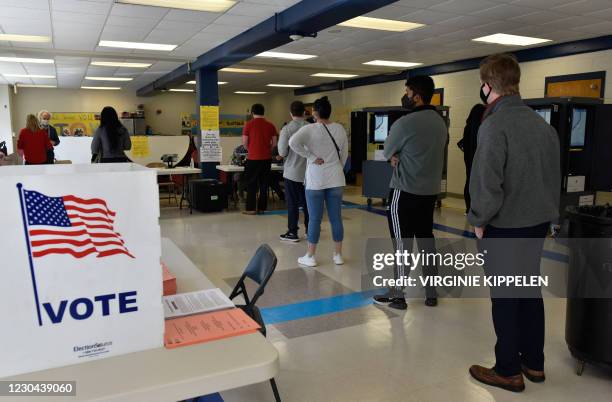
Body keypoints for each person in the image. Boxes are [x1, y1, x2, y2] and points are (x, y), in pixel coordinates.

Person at [467, 53, 560, 393]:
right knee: (528, 291)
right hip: (536, 225)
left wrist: (479, 220)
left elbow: (487, 181)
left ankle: (507, 369)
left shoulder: (494, 125)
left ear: (488, 86)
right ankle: (534, 362)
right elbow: (553, 178)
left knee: (505, 297)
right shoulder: (542, 125)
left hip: (505, 228)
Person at [371, 75, 448, 310]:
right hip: (429, 193)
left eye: (407, 91)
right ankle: (431, 293)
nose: (405, 96)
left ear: (416, 94)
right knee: (426, 240)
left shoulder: (404, 123)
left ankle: (398, 295)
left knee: (402, 244)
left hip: (404, 192)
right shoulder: (440, 123)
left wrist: (396, 156)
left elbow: (387, 152)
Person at [289, 96, 347, 267]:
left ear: (314, 112)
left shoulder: (310, 129)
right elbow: (344, 155)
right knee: (336, 218)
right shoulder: (340, 129)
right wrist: (337, 168)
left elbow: (293, 143)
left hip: (315, 180)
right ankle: (338, 255)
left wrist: (312, 157)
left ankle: (310, 256)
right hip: (336, 178)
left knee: (314, 219)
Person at [278, 101, 310, 242]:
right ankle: (310, 230)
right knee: (308, 203)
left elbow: (282, 152)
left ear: (291, 113)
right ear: (304, 112)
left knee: (292, 204)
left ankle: (292, 232)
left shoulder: (287, 129)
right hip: (309, 173)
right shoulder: (312, 128)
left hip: (292, 172)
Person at [242, 104, 278, 215]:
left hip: (252, 159)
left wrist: (251, 149)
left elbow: (244, 143)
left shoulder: (248, 125)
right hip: (266, 159)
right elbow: (274, 143)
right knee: (264, 184)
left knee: (251, 184)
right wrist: (267, 149)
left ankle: (251, 209)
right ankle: (263, 208)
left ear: (252, 113)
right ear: (264, 112)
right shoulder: (271, 125)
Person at [457, 103, 486, 214]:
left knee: (469, 180)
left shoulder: (468, 126)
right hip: (476, 157)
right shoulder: (480, 124)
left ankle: (469, 208)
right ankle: (474, 209)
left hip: (469, 158)